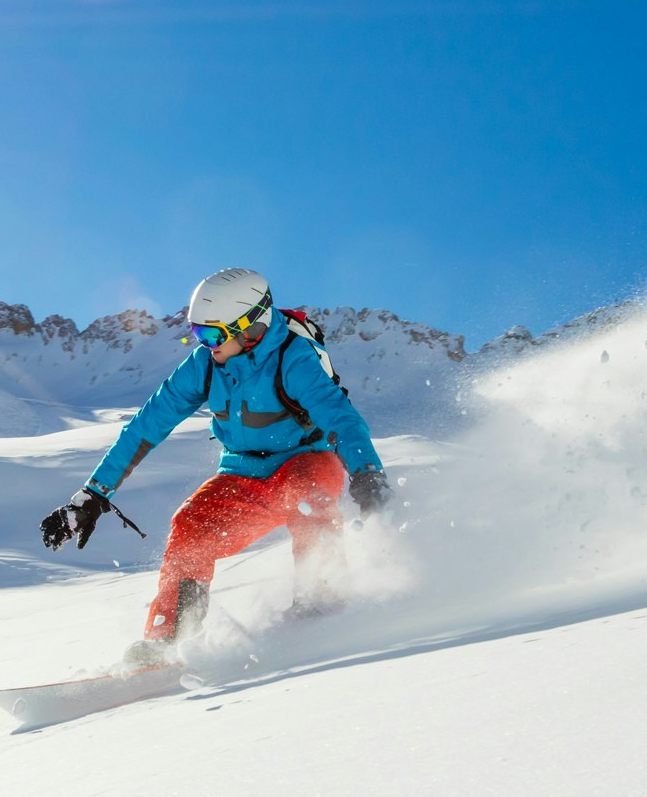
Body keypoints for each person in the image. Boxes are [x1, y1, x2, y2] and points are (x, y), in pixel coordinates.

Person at [40, 267, 392, 667]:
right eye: (196, 333)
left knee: (307, 496)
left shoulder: (293, 358)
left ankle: (322, 608)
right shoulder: (205, 365)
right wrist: (93, 494)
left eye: (211, 334)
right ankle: (169, 641)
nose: (204, 344)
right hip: (243, 473)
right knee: (191, 524)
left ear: (249, 329)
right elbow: (146, 425)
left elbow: (341, 418)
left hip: (308, 460)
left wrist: (367, 473)